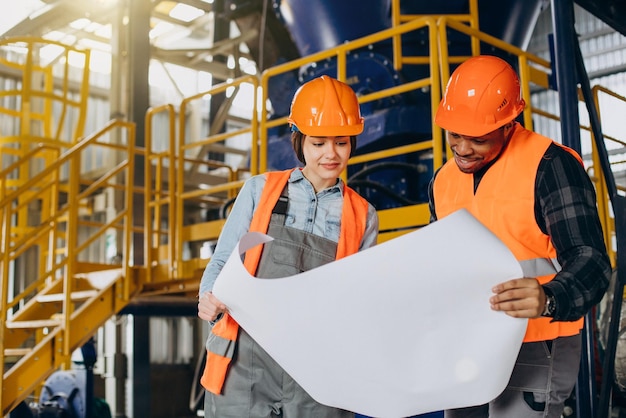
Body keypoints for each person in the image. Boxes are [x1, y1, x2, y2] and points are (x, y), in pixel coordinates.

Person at [428, 55, 611, 418]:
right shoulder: (441, 180)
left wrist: (549, 297)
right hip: (466, 343)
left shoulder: (551, 166)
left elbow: (591, 259)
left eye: (477, 138)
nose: (463, 149)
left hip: (537, 343)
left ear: (509, 123)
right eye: (454, 134)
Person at [197, 75, 379, 418]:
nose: (331, 154)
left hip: (318, 369)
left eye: (341, 142)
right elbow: (223, 260)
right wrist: (208, 298)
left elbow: (360, 295)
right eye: (319, 143)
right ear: (300, 142)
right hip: (245, 363)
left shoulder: (363, 215)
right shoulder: (259, 190)